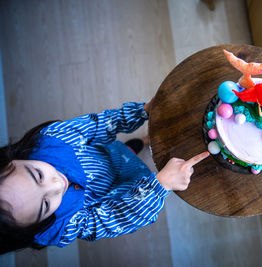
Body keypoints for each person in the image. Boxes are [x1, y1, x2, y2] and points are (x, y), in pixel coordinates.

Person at [0, 100, 209, 254]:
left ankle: (141, 143)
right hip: (126, 193)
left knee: (127, 150)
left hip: (109, 155)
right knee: (144, 170)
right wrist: (161, 184)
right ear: (34, 227)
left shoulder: (52, 139)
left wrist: (142, 111)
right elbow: (115, 218)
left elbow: (100, 124)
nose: (56, 184)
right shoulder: (62, 227)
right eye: (45, 204)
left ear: (12, 157)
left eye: (38, 175)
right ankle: (139, 148)